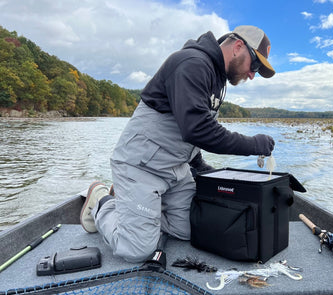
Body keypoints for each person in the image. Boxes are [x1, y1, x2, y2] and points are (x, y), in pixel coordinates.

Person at [80, 25, 276, 263]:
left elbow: (185, 125)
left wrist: (198, 164)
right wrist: (253, 144)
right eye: (254, 65)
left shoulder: (216, 78)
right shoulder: (192, 63)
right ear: (238, 47)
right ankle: (103, 201)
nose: (252, 74)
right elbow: (198, 128)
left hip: (175, 170)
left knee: (194, 230)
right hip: (140, 166)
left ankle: (135, 206)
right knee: (137, 250)